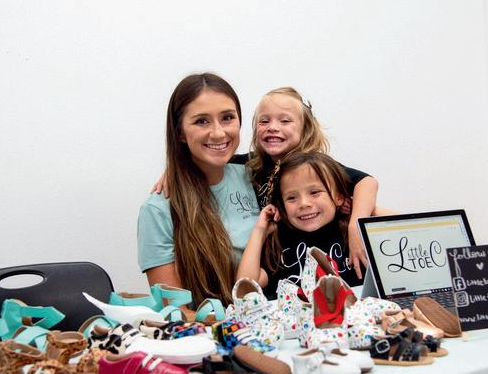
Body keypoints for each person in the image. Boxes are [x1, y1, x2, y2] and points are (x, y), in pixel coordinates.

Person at [154, 86, 379, 278]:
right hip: (277, 263)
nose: (273, 127)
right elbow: (208, 158)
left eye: (285, 120)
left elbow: (367, 182)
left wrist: (356, 225)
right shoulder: (251, 164)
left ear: (306, 128)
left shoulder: (315, 167)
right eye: (264, 121)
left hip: (324, 251)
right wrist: (177, 171)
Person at [137, 73, 259, 305]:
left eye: (227, 118)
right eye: (202, 121)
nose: (218, 132)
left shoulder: (256, 175)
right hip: (211, 325)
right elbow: (177, 310)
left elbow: (314, 164)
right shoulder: (158, 209)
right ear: (180, 132)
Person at [236, 151, 364, 298]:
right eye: (291, 197)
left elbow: (388, 224)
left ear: (339, 197)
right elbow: (245, 288)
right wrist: (259, 231)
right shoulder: (279, 242)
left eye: (315, 192)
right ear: (281, 205)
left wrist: (360, 210)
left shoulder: (352, 234)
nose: (304, 203)